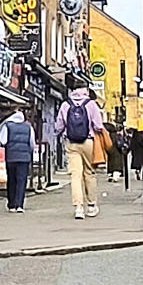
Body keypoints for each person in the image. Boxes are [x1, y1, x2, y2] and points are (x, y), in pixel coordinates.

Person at [56, 84, 107, 219]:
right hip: (88, 142)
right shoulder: (91, 104)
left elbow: (59, 126)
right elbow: (98, 125)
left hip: (71, 143)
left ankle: (79, 208)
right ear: (86, 90)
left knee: (75, 175)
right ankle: (91, 205)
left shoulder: (66, 104)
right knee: (89, 173)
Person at [1, 108, 35, 211]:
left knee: (11, 180)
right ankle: (19, 205)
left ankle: (11, 204)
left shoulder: (7, 126)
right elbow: (32, 143)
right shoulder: (29, 127)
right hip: (24, 158)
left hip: (11, 157)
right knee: (22, 181)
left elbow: (3, 141)